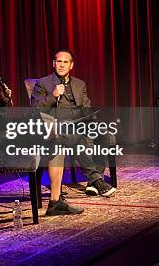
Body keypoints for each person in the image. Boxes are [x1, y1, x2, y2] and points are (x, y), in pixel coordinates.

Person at [0, 50, 83, 216]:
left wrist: (3, 101)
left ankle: (56, 200)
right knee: (54, 137)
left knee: (53, 134)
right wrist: (31, 117)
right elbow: (2, 122)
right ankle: (55, 202)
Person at [31, 48, 116, 197]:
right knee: (76, 136)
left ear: (71, 65)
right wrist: (53, 95)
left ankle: (93, 182)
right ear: (53, 63)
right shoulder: (42, 83)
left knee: (103, 133)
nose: (62, 65)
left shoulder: (80, 84)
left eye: (65, 62)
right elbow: (35, 110)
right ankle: (96, 180)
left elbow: (86, 106)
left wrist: (90, 115)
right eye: (59, 61)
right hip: (58, 125)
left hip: (80, 121)